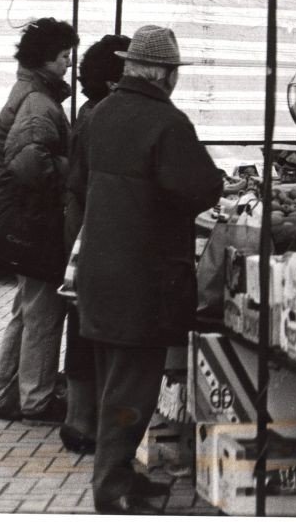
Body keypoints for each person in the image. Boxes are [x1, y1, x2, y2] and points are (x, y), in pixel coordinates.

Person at [75, 25, 223, 514]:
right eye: (174, 72)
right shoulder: (166, 121)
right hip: (144, 275)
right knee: (131, 390)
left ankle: (121, 477)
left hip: (101, 268)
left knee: (113, 385)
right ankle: (112, 489)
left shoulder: (98, 114)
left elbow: (77, 182)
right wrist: (217, 177)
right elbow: (200, 189)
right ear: (162, 73)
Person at [0, 17, 78, 425]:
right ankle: (37, 400)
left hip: (20, 216)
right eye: (64, 58)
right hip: (35, 219)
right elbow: (31, 164)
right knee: (43, 313)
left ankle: (8, 395)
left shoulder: (29, 92)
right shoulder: (38, 102)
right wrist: (69, 167)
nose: (68, 65)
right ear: (46, 59)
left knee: (26, 310)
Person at [60, 34, 130, 455]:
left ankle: (79, 418)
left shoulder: (89, 110)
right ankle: (84, 422)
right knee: (90, 327)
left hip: (81, 227)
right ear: (112, 81)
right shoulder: (103, 115)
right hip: (92, 231)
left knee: (82, 324)